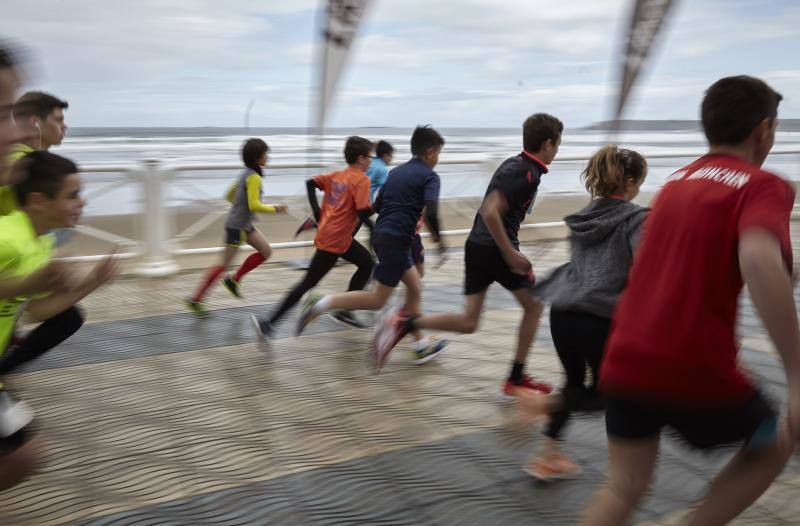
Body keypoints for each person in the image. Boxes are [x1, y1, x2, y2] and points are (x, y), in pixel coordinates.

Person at [582, 76, 800, 526]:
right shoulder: (761, 186)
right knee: (772, 444)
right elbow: (759, 260)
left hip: (624, 360)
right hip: (692, 368)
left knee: (623, 486)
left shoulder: (675, 184)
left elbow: (697, 261)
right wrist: (797, 375)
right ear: (764, 130)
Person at [374, 114, 562, 396]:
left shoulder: (517, 165)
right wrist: (510, 253)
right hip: (494, 249)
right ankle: (516, 378)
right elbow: (490, 211)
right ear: (547, 143)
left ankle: (406, 321)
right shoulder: (525, 172)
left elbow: (500, 210)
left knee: (469, 322)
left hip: (477, 246)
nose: (557, 151)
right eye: (558, 145)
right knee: (534, 306)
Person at [517, 145, 648, 481]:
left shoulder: (584, 217)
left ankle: (548, 457)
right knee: (612, 392)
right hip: (598, 317)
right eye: (639, 183)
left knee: (573, 385)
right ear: (630, 182)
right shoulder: (637, 219)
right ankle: (546, 405)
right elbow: (645, 270)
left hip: (563, 312)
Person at [0, 150, 118, 489]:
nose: (82, 202)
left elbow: (39, 311)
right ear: (38, 200)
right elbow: (24, 289)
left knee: (25, 451)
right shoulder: (7, 238)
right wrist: (26, 284)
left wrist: (92, 282)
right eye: (73, 195)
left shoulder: (39, 242)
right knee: (24, 452)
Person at [296, 126, 449, 369]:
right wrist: (441, 244)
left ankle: (420, 345)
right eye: (439, 153)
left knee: (415, 286)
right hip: (398, 240)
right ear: (430, 152)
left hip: (385, 236)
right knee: (378, 299)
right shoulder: (430, 176)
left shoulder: (397, 172)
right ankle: (323, 302)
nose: (438, 158)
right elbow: (432, 211)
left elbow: (376, 206)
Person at [251, 136, 375, 338]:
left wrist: (318, 211)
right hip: (337, 239)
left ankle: (344, 311)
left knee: (364, 264)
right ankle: (269, 324)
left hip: (330, 234)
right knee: (312, 281)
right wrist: (376, 227)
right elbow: (362, 211)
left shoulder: (337, 176)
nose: (371, 161)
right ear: (361, 158)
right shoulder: (362, 179)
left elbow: (310, 183)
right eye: (370, 157)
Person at [186, 138, 287, 316]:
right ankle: (196, 299)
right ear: (257, 158)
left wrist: (240, 207)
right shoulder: (254, 177)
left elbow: (229, 195)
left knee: (266, 251)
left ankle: (234, 280)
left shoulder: (245, 173)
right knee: (223, 264)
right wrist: (275, 209)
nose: (267, 157)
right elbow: (254, 205)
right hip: (237, 227)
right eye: (265, 154)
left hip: (243, 225)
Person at [0, 91, 69, 215]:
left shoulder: (30, 158)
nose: (65, 126)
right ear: (35, 123)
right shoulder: (23, 162)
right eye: (59, 120)